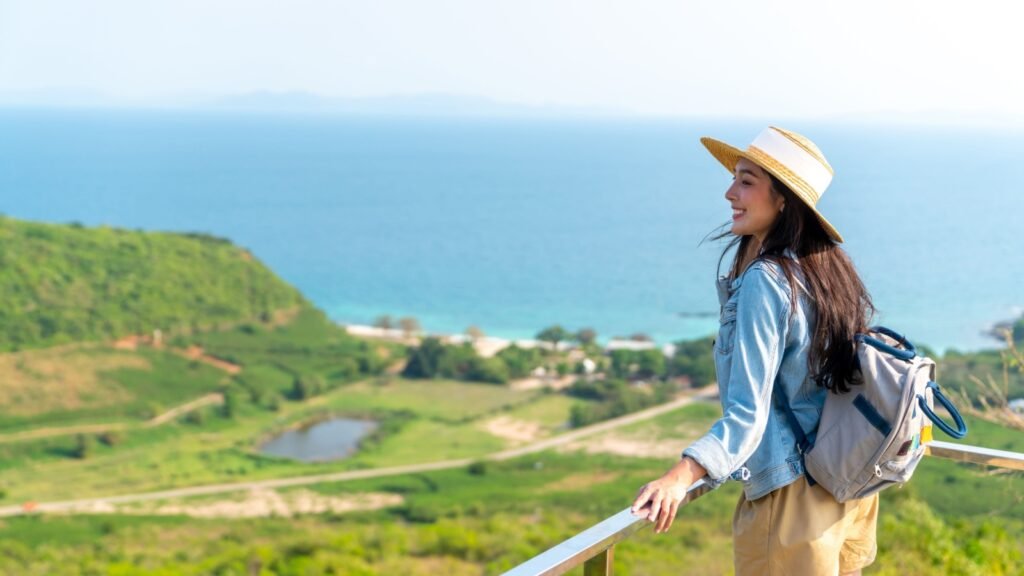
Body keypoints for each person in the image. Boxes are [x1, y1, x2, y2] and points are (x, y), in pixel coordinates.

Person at [630, 126, 879, 575]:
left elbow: (748, 415)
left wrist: (679, 476)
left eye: (746, 181)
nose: (729, 193)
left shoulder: (768, 280)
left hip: (791, 503)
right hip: (843, 489)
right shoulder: (827, 269)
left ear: (783, 199)